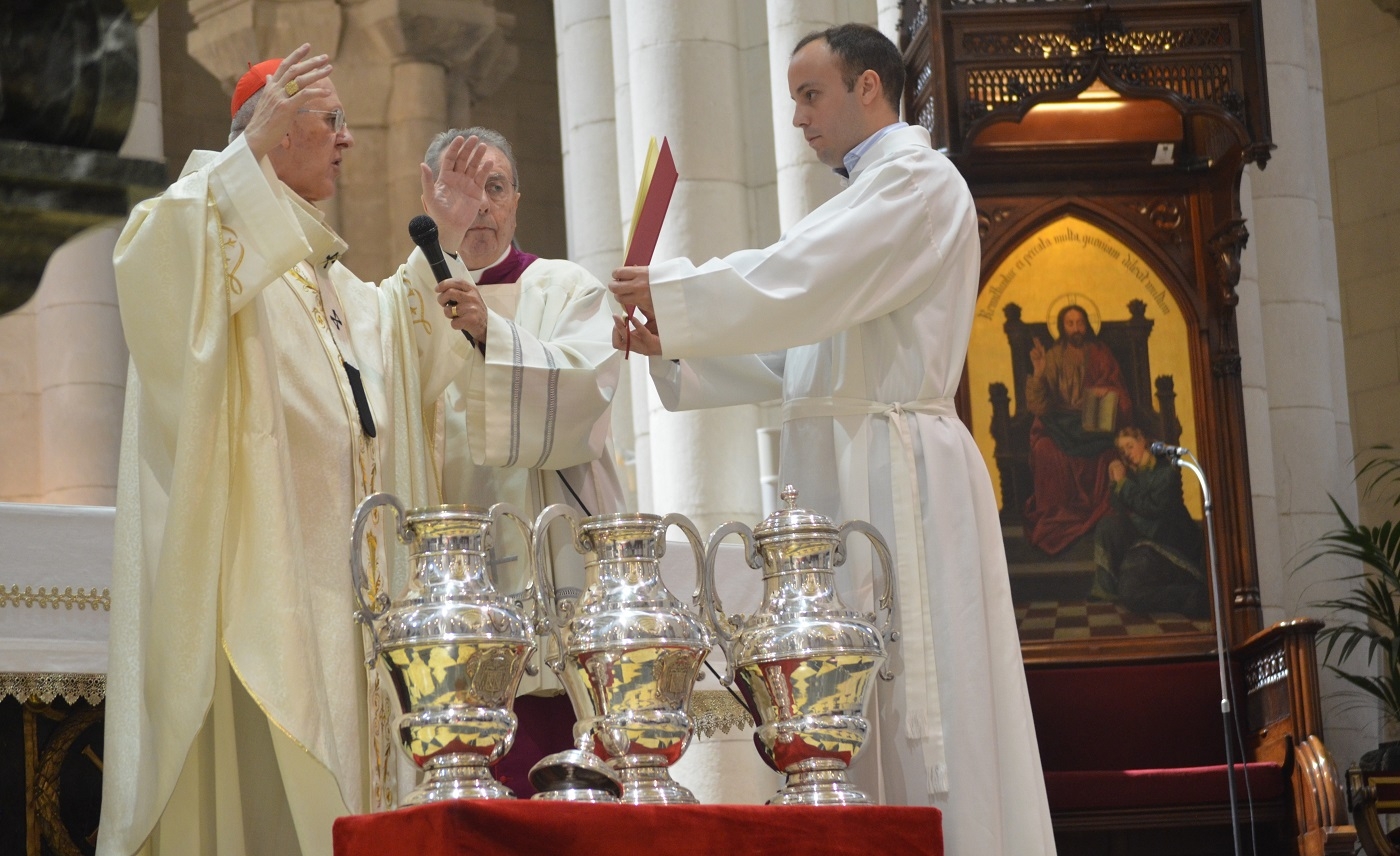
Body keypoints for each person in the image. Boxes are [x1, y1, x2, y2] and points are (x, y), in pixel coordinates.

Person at [609, 23, 1055, 855]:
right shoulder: (864, 200)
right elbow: (797, 355)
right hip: (846, 471)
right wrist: (669, 340)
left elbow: (794, 277)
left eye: (811, 96)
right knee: (840, 705)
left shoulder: (917, 183)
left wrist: (673, 296)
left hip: (897, 478)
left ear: (870, 90)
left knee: (922, 710)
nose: (799, 119)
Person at [98, 46, 493, 856]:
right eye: (331, 121)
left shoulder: (332, 283)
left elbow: (400, 353)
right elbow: (153, 262)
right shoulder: (210, 238)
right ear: (276, 133)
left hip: (358, 602)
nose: (347, 139)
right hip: (274, 595)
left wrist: (445, 240)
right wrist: (241, 158)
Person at [428, 126, 624, 796]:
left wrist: (493, 334)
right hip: (457, 582)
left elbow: (590, 392)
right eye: (461, 190)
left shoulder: (567, 287)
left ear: (517, 199)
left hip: (556, 571)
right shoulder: (406, 306)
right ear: (432, 201)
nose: (481, 205)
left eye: (495, 187)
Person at [1022, 304, 1132, 555]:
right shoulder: (1052, 356)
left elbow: (1121, 394)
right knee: (1044, 450)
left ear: (1087, 325)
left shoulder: (1100, 354)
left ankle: (1098, 517)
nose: (1075, 329)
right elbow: (1039, 406)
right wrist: (1038, 374)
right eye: (1070, 324)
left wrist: (1108, 392)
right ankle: (1057, 515)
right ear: (1062, 326)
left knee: (1107, 453)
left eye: (1079, 323)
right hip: (1058, 422)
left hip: (1092, 424)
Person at [1090, 426, 1207, 617]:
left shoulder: (1166, 470)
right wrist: (1114, 482)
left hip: (1171, 547)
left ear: (1143, 441)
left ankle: (1192, 597)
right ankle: (1106, 592)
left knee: (1131, 591)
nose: (1127, 454)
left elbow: (1151, 508)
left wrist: (1123, 484)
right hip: (1146, 543)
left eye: (1130, 446)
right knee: (1107, 526)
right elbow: (1118, 510)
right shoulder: (1133, 473)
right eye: (1122, 450)